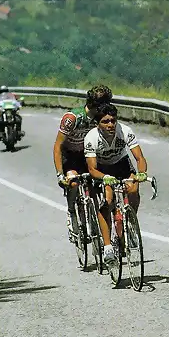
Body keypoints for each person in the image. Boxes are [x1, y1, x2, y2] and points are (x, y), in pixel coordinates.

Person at [84, 103, 148, 267]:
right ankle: (107, 247)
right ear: (98, 123)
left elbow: (139, 158)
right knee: (107, 201)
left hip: (121, 163)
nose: (110, 125)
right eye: (105, 121)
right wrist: (105, 177)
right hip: (102, 169)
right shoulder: (91, 138)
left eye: (113, 120)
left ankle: (130, 222)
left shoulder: (125, 131)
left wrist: (141, 173)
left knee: (133, 187)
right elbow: (91, 168)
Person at [53, 85, 113, 241]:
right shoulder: (72, 118)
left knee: (95, 189)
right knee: (73, 182)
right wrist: (60, 174)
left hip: (88, 155)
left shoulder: (101, 118)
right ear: (96, 105)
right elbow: (58, 146)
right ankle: (72, 211)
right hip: (70, 156)